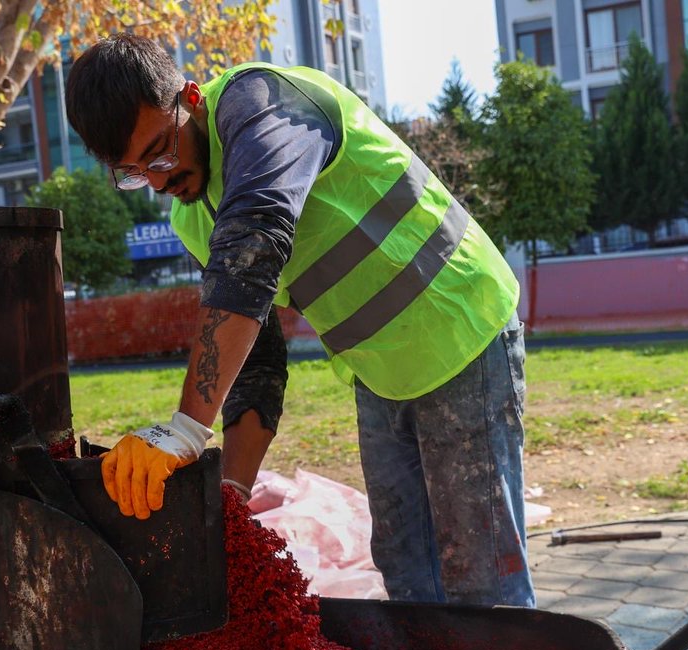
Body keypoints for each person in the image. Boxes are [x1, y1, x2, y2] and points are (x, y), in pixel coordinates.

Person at [65, 34, 534, 607]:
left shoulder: (264, 105)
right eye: (134, 173)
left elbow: (255, 241)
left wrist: (186, 430)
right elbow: (255, 362)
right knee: (406, 567)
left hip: (461, 324)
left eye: (161, 151)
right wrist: (230, 504)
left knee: (481, 577)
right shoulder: (194, 217)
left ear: (190, 97)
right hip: (382, 370)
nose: (159, 181)